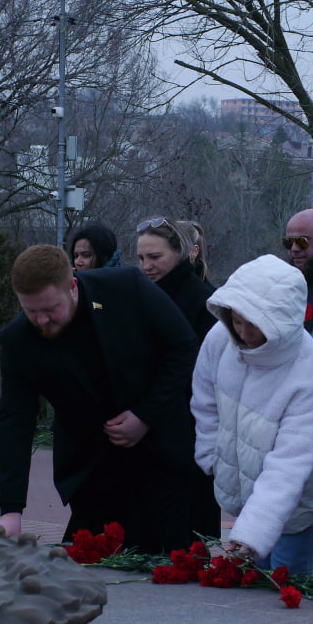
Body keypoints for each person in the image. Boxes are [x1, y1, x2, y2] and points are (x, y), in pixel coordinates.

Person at [0, 245, 198, 553]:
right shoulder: (18, 340)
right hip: (92, 472)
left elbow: (182, 347)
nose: (41, 320)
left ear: (72, 285)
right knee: (91, 564)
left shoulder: (127, 288)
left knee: (166, 563)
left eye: (50, 308)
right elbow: (14, 421)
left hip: (161, 458)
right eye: (30, 311)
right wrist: (11, 510)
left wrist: (145, 415)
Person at [192, 254, 313, 573]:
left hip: (295, 498)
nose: (244, 334)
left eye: (255, 325)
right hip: (242, 488)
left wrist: (253, 530)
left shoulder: (307, 370)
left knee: (284, 585)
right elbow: (204, 397)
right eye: (237, 321)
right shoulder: (220, 338)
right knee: (249, 584)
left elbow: (290, 463)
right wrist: (210, 453)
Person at [136, 217, 221, 539]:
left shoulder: (202, 300)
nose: (146, 266)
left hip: (186, 433)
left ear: (181, 253)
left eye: (155, 257)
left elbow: (196, 371)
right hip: (151, 434)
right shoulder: (145, 294)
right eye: (141, 258)